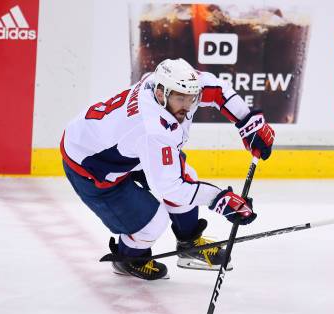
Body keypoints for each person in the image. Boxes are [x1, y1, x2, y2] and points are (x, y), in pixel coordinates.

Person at [61, 58, 275, 280]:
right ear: (162, 94)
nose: (187, 105)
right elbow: (171, 189)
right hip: (92, 168)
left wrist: (248, 122)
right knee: (154, 222)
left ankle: (189, 244)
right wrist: (221, 200)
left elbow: (215, 87)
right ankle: (130, 258)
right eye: (180, 99)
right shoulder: (153, 130)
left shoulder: (163, 84)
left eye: (191, 98)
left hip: (115, 145)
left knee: (187, 175)